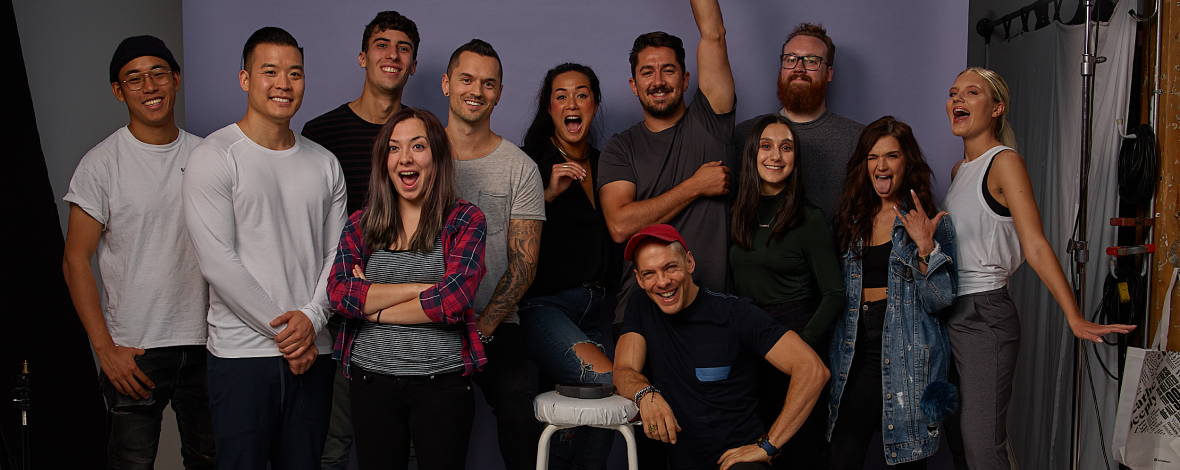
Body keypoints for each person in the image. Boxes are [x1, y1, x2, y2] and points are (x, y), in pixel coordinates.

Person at [941, 68, 1135, 470]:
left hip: (983, 314)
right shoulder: (961, 172)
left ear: (997, 108)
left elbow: (1035, 244)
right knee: (964, 442)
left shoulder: (1004, 162)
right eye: (953, 93)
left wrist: (1075, 316)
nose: (957, 100)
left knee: (981, 446)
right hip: (950, 311)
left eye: (972, 93)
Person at [182, 27, 346, 470]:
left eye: (295, 73)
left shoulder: (325, 163)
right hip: (243, 356)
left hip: (316, 349)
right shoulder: (215, 156)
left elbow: (338, 257)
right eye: (269, 71)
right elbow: (218, 262)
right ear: (244, 78)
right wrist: (290, 337)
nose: (283, 84)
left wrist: (311, 322)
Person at [62, 35, 214, 470]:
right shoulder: (101, 164)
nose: (149, 87)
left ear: (176, 80)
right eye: (134, 78)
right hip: (135, 350)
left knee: (212, 460)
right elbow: (75, 260)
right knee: (131, 464)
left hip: (209, 342)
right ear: (118, 90)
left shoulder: (207, 156)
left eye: (158, 74)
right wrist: (104, 348)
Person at [326, 107, 487, 470]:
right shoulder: (361, 224)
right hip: (371, 382)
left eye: (417, 146)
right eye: (394, 148)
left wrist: (374, 304)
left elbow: (454, 299)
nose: (405, 158)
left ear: (437, 157)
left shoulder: (466, 219)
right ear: (384, 160)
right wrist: (423, 287)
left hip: (442, 384)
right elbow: (338, 292)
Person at [299, 11, 420, 468]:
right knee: (333, 441)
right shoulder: (321, 133)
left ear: (412, 63)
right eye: (382, 44)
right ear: (363, 56)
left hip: (406, 303)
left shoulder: (423, 135)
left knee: (402, 442)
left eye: (403, 48)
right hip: (338, 302)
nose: (392, 55)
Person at [613, 224, 829, 470]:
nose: (662, 282)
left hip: (737, 464)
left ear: (690, 263)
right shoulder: (641, 307)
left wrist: (768, 445)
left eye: (670, 267)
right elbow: (623, 370)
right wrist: (645, 394)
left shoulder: (734, 313)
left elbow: (812, 369)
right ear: (639, 279)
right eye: (649, 273)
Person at [827, 116, 957, 469]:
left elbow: (941, 300)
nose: (881, 165)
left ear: (907, 162)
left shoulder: (931, 220)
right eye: (872, 157)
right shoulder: (850, 219)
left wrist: (927, 247)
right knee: (843, 453)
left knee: (907, 457)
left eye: (892, 156)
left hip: (907, 346)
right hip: (855, 345)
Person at [599, 0, 735, 332]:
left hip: (712, 308)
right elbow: (619, 225)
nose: (658, 81)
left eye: (668, 70)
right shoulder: (620, 147)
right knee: (638, 386)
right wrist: (695, 186)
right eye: (647, 72)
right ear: (634, 85)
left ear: (686, 79)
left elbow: (713, 33)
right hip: (640, 312)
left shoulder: (711, 121)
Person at [442, 39, 546, 470]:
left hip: (495, 320)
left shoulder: (520, 167)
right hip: (427, 317)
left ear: (500, 92)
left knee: (518, 411)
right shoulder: (420, 155)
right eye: (467, 79)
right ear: (448, 83)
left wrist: (481, 331)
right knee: (436, 428)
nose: (476, 90)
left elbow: (524, 265)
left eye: (488, 83)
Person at [728, 114, 844, 468]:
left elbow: (835, 294)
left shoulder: (808, 218)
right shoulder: (737, 214)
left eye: (786, 147)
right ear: (752, 154)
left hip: (794, 335)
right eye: (766, 146)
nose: (776, 156)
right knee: (755, 449)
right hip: (750, 342)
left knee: (799, 449)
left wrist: (801, 346)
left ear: (795, 159)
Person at [518, 63, 616, 470]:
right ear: (549, 106)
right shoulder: (530, 161)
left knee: (589, 421)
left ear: (594, 103)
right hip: (545, 307)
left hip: (594, 308)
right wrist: (548, 194)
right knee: (607, 386)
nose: (571, 103)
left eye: (581, 94)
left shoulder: (608, 162)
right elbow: (506, 233)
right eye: (561, 95)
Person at [732, 23, 863, 222]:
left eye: (811, 61)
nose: (798, 68)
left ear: (829, 73)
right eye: (790, 59)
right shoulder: (746, 134)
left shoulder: (857, 139)